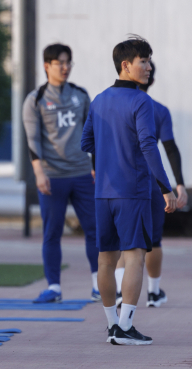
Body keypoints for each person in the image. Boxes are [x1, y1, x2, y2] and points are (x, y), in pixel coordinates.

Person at [81, 36, 176, 345]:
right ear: (126, 65)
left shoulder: (99, 100)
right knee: (135, 257)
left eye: (148, 61)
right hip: (132, 191)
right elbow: (149, 145)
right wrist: (166, 187)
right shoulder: (141, 101)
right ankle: (126, 327)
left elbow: (86, 143)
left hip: (102, 194)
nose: (148, 67)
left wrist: (105, 160)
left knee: (106, 261)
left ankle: (112, 326)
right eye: (143, 61)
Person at [22, 44, 99, 303]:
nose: (65, 67)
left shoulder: (80, 95)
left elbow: (94, 135)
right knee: (52, 232)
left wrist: (96, 166)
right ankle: (54, 287)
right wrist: (39, 173)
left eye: (68, 62)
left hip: (82, 174)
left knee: (95, 229)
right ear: (47, 66)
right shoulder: (36, 99)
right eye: (59, 62)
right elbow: (32, 140)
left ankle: (99, 284)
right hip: (53, 176)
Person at [113, 61, 187, 308]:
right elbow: (170, 148)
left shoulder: (110, 102)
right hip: (149, 181)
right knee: (152, 240)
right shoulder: (157, 109)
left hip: (117, 182)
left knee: (125, 242)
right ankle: (153, 292)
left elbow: (96, 141)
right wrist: (179, 184)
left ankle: (122, 293)